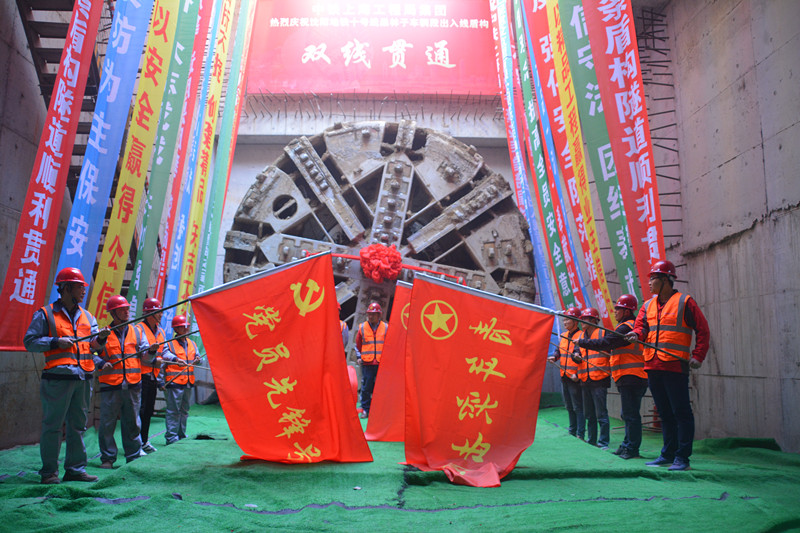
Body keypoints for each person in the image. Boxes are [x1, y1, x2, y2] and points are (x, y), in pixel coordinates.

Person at [23, 267, 110, 484]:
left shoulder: (88, 317)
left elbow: (94, 347)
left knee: (77, 426)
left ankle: (75, 469)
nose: (83, 291)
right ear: (67, 288)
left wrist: (101, 339)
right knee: (52, 426)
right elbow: (30, 342)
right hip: (57, 378)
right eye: (80, 287)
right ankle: (49, 473)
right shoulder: (45, 314)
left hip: (83, 379)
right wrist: (55, 342)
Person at [626, 260, 710, 471]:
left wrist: (698, 356)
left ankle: (683, 458)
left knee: (681, 412)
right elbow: (641, 328)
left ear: (666, 280)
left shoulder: (685, 302)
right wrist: (635, 334)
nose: (649, 283)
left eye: (653, 279)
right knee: (664, 412)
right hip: (652, 365)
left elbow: (703, 330)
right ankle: (668, 454)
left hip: (674, 366)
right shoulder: (647, 305)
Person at [576, 295, 648, 459]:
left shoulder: (626, 327)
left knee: (630, 414)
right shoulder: (628, 326)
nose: (614, 312)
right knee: (627, 413)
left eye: (618, 309)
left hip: (632, 376)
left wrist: (582, 343)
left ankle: (631, 448)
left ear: (626, 311)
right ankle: (626, 445)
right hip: (629, 376)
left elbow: (605, 343)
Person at [96, 295, 151, 468]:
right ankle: (107, 458)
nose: (126, 312)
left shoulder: (137, 331)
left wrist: (151, 352)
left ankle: (133, 456)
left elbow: (146, 354)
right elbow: (91, 352)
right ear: (113, 313)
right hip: (111, 385)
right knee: (107, 423)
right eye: (122, 310)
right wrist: (100, 363)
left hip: (133, 384)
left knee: (133, 422)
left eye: (127, 309)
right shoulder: (103, 334)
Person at [573, 307, 610, 449]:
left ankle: (603, 442)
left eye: (585, 319)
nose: (582, 322)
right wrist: (576, 356)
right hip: (585, 379)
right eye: (582, 320)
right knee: (589, 414)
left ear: (594, 320)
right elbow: (575, 353)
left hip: (599, 379)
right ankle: (592, 440)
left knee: (601, 413)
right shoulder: (581, 337)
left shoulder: (603, 333)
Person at [160, 314, 201, 445]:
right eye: (183, 327)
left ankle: (181, 434)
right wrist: (176, 359)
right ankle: (171, 437)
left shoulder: (192, 343)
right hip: (174, 382)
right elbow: (165, 356)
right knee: (173, 410)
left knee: (184, 410)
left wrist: (198, 360)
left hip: (188, 382)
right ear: (176, 329)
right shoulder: (169, 344)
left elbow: (198, 357)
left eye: (186, 326)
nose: (186, 329)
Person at [548, 307, 584, 439]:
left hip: (575, 376)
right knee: (569, 405)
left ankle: (580, 432)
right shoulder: (563, 335)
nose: (565, 322)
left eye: (567, 320)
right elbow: (559, 351)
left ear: (576, 321)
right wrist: (554, 357)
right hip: (564, 375)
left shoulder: (581, 336)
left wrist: (577, 374)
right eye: (564, 320)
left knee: (577, 406)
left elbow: (581, 355)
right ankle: (572, 430)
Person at [136, 298, 166, 454]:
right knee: (140, 411)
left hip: (153, 376)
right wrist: (154, 358)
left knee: (148, 410)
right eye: (158, 312)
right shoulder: (139, 329)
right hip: (140, 376)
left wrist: (175, 360)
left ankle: (144, 440)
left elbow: (165, 351)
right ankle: (136, 443)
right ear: (149, 314)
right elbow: (141, 354)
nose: (161, 315)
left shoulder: (160, 331)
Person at [354, 302, 388, 419]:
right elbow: (357, 345)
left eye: (373, 314)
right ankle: (366, 410)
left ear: (379, 315)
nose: (370, 316)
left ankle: (379, 411)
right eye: (369, 314)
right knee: (366, 388)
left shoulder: (386, 327)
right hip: (367, 363)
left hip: (381, 363)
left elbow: (389, 345)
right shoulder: (362, 327)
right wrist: (359, 357)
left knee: (381, 388)